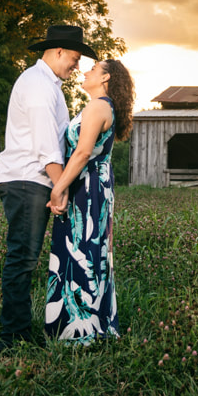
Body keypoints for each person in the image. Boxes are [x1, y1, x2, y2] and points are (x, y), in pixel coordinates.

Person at [0, 24, 97, 352]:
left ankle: (20, 332)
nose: (76, 66)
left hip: (34, 180)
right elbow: (44, 145)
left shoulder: (50, 86)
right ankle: (13, 338)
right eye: (75, 59)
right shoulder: (37, 84)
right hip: (27, 180)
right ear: (59, 51)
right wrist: (59, 187)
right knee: (22, 259)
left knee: (25, 258)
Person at [44, 58, 134, 344]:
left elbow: (82, 153)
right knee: (88, 251)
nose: (85, 71)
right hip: (93, 186)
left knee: (82, 250)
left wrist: (58, 188)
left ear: (106, 79)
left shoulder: (98, 106)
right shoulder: (101, 106)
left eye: (93, 69)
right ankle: (91, 327)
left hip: (87, 188)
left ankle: (82, 331)